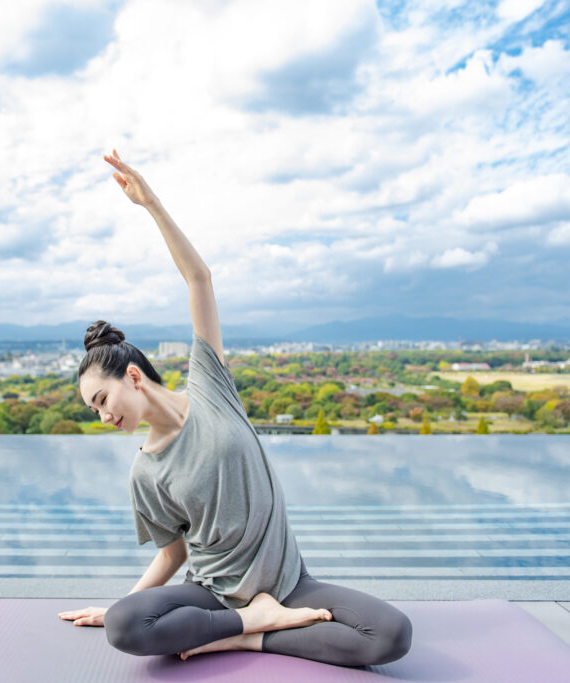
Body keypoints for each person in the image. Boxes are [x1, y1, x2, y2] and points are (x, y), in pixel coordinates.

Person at [57, 150, 412, 667]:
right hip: (212, 595)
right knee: (124, 625)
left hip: (289, 586)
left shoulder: (210, 386)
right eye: (93, 411)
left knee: (390, 636)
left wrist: (151, 204)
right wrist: (121, 605)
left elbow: (198, 278)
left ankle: (241, 635)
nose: (102, 415)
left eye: (102, 399)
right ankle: (247, 624)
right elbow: (173, 556)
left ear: (133, 376)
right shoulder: (145, 471)